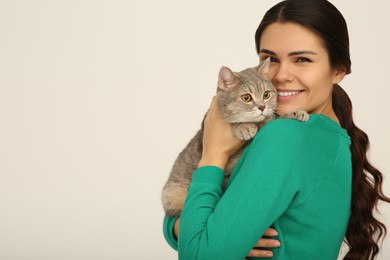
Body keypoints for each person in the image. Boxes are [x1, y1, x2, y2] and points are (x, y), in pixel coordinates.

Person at [163, 0, 390, 259]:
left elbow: (196, 254)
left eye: (302, 59)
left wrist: (213, 154)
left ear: (338, 70)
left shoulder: (286, 135)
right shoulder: (333, 139)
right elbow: (190, 231)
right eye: (271, 59)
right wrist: (194, 230)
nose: (281, 75)